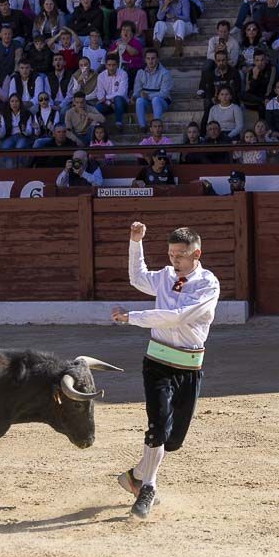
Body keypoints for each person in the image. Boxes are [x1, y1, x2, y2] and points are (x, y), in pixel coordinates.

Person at [111, 221, 221, 520]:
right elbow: (138, 278)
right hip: (157, 363)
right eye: (171, 254)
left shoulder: (207, 284)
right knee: (157, 427)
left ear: (196, 253)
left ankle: (135, 476)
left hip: (189, 367)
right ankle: (148, 487)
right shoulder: (165, 276)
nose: (174, 260)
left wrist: (132, 316)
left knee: (173, 441)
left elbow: (177, 317)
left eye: (181, 255)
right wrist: (136, 242)